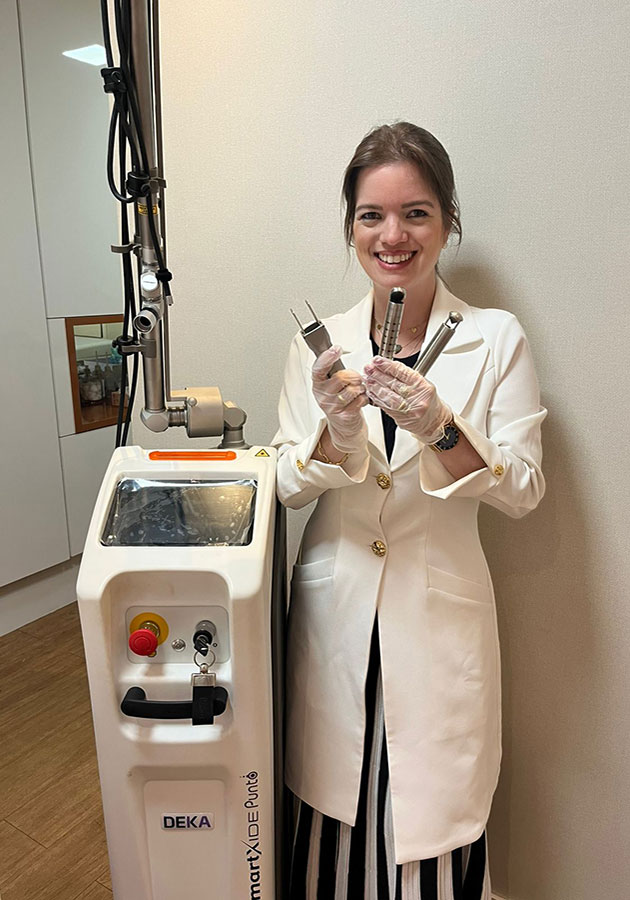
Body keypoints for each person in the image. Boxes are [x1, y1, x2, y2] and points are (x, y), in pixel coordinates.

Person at [272, 122, 546, 900]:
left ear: (448, 221)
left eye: (416, 213)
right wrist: (336, 437)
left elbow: (524, 488)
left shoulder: (496, 338)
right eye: (372, 215)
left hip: (438, 632)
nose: (393, 236)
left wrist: (440, 427)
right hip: (336, 626)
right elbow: (285, 484)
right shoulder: (320, 348)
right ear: (351, 226)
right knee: (332, 834)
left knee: (431, 838)